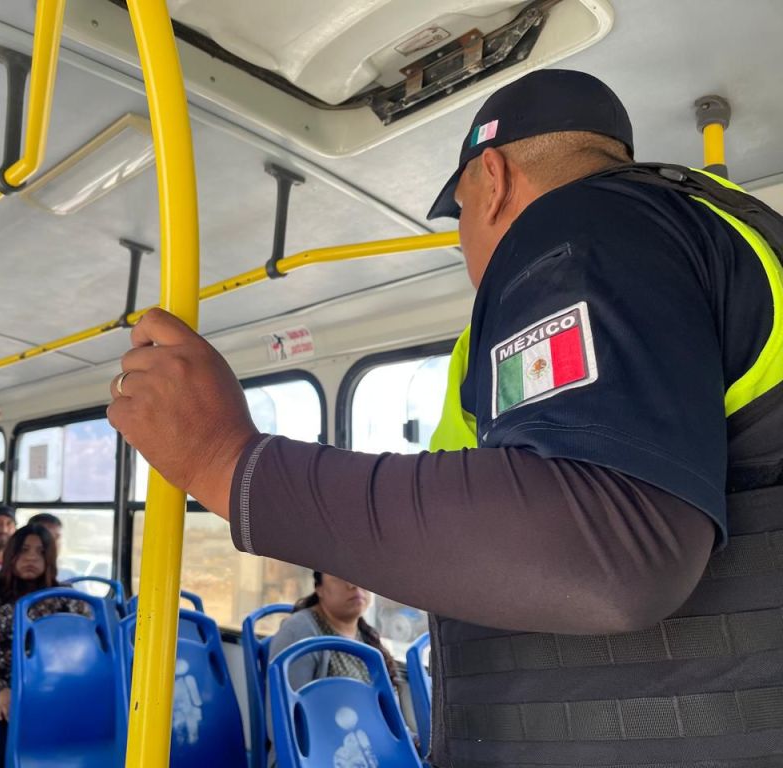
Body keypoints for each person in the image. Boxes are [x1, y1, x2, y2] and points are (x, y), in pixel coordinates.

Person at [107, 69, 783, 766]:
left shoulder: (587, 225)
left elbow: (610, 552)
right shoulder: (728, 236)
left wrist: (228, 463)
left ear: (491, 179)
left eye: (459, 210)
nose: (464, 240)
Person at [0, 524, 90, 768]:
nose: (31, 558)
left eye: (40, 552)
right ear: (11, 554)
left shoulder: (68, 599)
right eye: (24, 550)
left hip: (55, 692)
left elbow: (86, 651)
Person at [269, 571, 398, 691]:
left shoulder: (368, 637)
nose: (354, 584)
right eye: (340, 576)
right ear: (319, 588)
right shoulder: (299, 632)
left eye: (360, 573)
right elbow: (283, 710)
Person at [25, 512, 76, 581]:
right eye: (48, 537)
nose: (55, 543)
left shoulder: (70, 576)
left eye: (57, 537)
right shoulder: (22, 574)